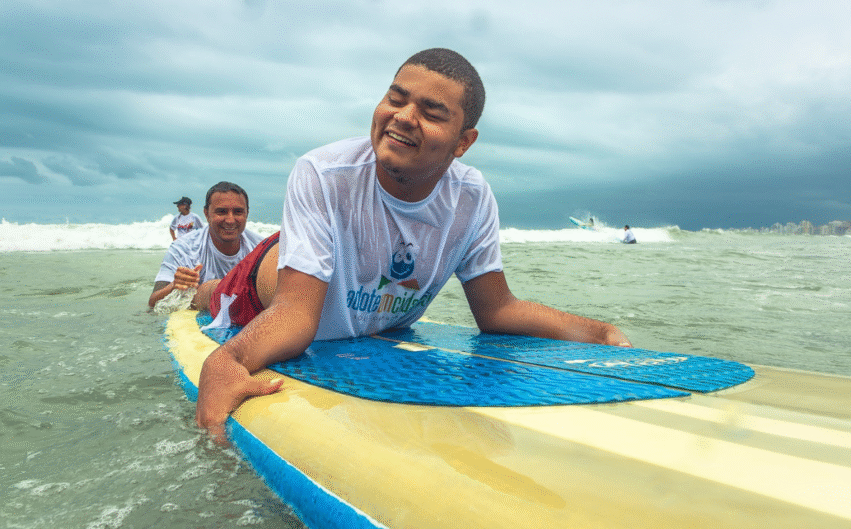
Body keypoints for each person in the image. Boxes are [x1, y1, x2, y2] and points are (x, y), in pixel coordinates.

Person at [194, 48, 631, 439]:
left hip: (325, 256)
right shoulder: (324, 173)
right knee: (211, 295)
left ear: (464, 142)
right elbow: (296, 314)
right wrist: (228, 359)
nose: (403, 116)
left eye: (431, 112)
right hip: (260, 285)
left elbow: (497, 309)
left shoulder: (471, 199)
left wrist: (599, 332)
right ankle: (194, 287)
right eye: (396, 98)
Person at [148, 182, 264, 309]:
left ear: (246, 213)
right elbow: (153, 303)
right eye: (221, 212)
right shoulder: (182, 249)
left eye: (238, 212)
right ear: (207, 214)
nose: (230, 220)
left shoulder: (262, 249)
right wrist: (175, 285)